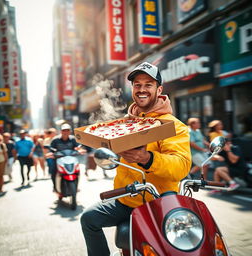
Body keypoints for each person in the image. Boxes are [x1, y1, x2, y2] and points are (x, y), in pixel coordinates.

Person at [80, 62, 192, 256]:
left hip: (158, 203)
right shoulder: (126, 122)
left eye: (148, 85)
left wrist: (147, 159)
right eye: (137, 85)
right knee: (88, 219)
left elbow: (181, 166)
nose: (142, 89)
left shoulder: (175, 126)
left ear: (159, 89)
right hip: (126, 200)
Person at [46, 123, 85, 192]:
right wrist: (50, 153)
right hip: (59, 160)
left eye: (67, 130)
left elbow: (78, 146)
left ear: (70, 131)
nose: (65, 132)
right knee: (53, 171)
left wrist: (80, 150)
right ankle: (55, 187)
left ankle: (76, 186)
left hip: (71, 159)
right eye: (64, 130)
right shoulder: (55, 140)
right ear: (61, 131)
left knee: (77, 170)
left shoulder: (73, 139)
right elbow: (51, 149)